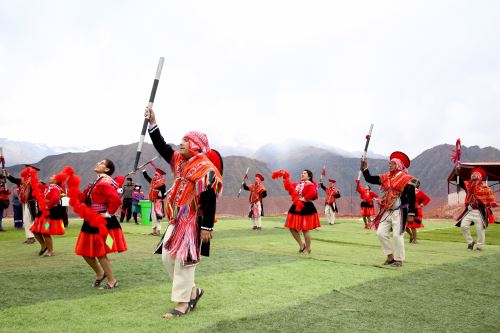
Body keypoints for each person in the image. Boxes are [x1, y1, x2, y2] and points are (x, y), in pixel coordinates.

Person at [145, 107, 223, 318]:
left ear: (196, 146)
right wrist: (153, 123)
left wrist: (207, 226)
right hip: (175, 217)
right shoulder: (179, 161)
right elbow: (162, 147)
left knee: (183, 260)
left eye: (185, 141)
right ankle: (192, 291)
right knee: (166, 258)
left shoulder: (206, 169)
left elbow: (209, 197)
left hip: (192, 220)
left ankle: (183, 303)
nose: (181, 143)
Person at [73, 159, 127, 289]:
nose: (98, 163)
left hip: (101, 220)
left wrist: (108, 213)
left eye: (102, 163)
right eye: (97, 162)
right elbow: (83, 197)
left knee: (100, 252)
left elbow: (115, 200)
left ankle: (112, 280)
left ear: (107, 170)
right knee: (84, 251)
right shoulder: (96, 182)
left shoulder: (104, 182)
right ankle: (100, 273)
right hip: (91, 219)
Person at [361, 151, 417, 267]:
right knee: (380, 233)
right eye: (389, 163)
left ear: (398, 165)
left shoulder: (407, 179)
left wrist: (412, 213)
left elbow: (412, 197)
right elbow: (370, 179)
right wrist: (365, 168)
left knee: (397, 235)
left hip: (400, 210)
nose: (389, 165)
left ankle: (399, 259)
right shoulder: (386, 177)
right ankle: (390, 256)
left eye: (392, 163)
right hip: (387, 210)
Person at [272, 169, 320, 255]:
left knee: (305, 229)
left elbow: (313, 193)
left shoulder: (310, 184)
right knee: (291, 227)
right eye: (302, 173)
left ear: (309, 176)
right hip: (296, 206)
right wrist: (285, 176)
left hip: (306, 207)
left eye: (304, 173)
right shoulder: (298, 184)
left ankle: (308, 249)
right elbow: (289, 186)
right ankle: (302, 245)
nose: (302, 174)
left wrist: (304, 199)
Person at [455, 167, 496, 251]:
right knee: (463, 226)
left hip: (480, 212)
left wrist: (488, 208)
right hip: (470, 211)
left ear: (479, 177)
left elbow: (490, 201)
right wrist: (457, 174)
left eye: (475, 176)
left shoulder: (485, 188)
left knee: (480, 230)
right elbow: (460, 183)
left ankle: (479, 246)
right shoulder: (468, 186)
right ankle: (470, 242)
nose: (473, 177)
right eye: (472, 175)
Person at [30, 175, 66, 257]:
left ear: (56, 180)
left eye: (52, 177)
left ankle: (50, 251)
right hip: (42, 212)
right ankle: (44, 245)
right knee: (35, 230)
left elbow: (55, 199)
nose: (50, 177)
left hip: (50, 213)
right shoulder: (49, 187)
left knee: (45, 231)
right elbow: (41, 186)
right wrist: (32, 177)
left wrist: (48, 205)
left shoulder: (55, 188)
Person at [6, 165, 39, 244]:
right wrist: (7, 175)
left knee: (31, 220)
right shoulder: (23, 181)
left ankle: (33, 237)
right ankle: (29, 237)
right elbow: (14, 180)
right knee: (26, 220)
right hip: (25, 203)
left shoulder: (35, 182)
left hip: (32, 203)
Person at [142, 168, 167, 235]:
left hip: (158, 203)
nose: (155, 176)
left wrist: (160, 195)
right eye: (155, 175)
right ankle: (154, 230)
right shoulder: (153, 182)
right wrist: (144, 171)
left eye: (156, 175)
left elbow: (164, 195)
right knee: (153, 216)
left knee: (158, 216)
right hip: (153, 201)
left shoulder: (162, 184)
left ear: (159, 176)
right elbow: (147, 178)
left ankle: (158, 231)